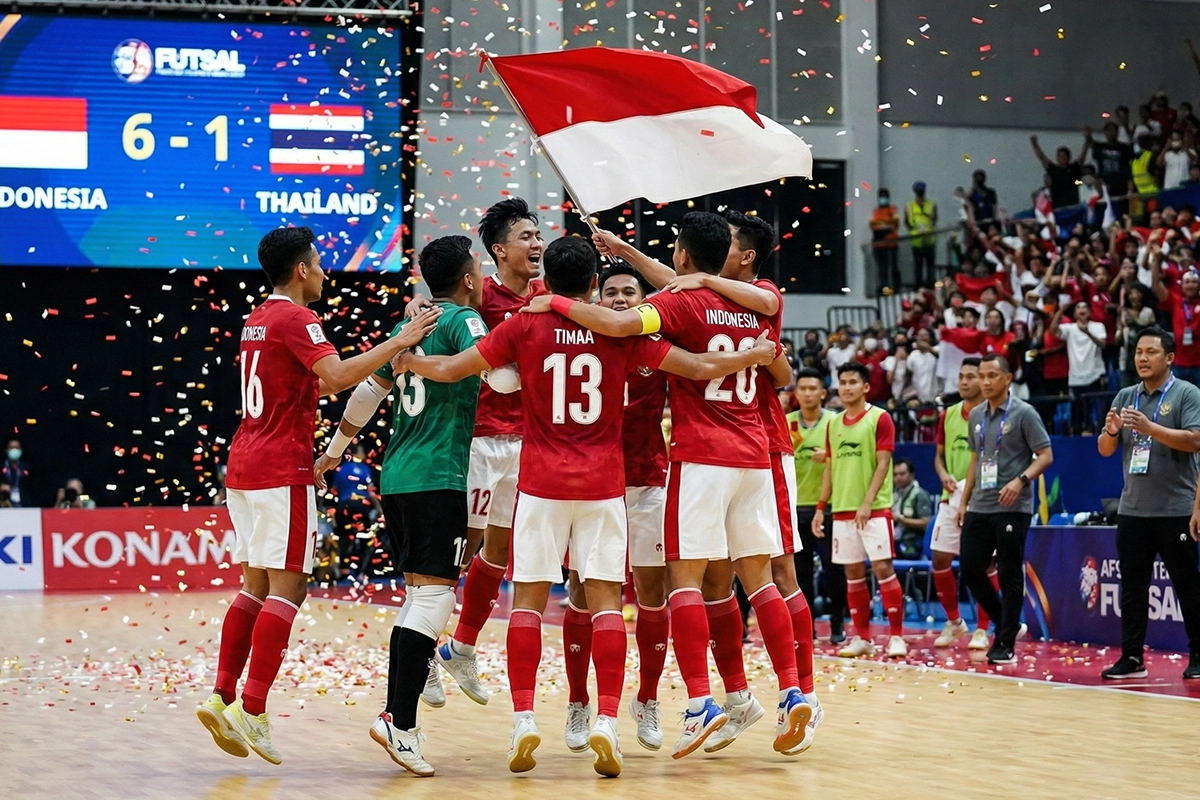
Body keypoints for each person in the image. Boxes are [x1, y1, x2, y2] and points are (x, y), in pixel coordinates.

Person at [400, 235, 776, 776]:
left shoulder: (523, 324)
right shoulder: (614, 332)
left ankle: (525, 720)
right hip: (603, 487)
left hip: (542, 485)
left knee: (528, 602)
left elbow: (452, 369)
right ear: (593, 285)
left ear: (544, 281)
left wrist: (408, 357)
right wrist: (752, 355)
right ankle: (604, 720)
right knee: (605, 604)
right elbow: (696, 367)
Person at [539, 212, 814, 759]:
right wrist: (627, 250)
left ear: (682, 257)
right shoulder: (758, 299)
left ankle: (698, 704)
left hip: (700, 457)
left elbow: (619, 326)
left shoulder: (679, 304)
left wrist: (557, 301)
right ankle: (790, 690)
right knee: (757, 579)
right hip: (755, 456)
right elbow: (774, 364)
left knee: (683, 583)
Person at [197, 226, 441, 765]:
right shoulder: (295, 318)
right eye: (320, 262)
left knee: (255, 586)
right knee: (290, 588)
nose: (327, 272)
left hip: (244, 464)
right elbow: (333, 378)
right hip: (280, 468)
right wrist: (398, 342)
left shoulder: (255, 320)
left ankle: (222, 696)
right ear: (302, 270)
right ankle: (253, 711)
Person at [311, 235, 488, 776]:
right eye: (477, 269)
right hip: (439, 476)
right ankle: (400, 721)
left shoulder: (411, 326)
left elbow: (366, 393)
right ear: (467, 278)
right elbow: (504, 375)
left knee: (419, 596)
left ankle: (404, 716)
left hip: (399, 476)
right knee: (434, 599)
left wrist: (336, 450)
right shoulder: (463, 321)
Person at [409, 198, 547, 702]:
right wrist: (415, 308)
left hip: (527, 442)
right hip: (479, 440)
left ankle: (461, 649)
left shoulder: (548, 295)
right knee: (457, 552)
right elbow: (428, 313)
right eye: (527, 237)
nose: (537, 244)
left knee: (500, 551)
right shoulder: (476, 297)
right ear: (499, 250)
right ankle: (419, 651)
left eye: (538, 236)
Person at [1099, 327, 1200, 681]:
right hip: (1133, 511)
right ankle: (1132, 657)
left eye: (1150, 352)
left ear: (1169, 358)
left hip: (1176, 510)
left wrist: (1151, 427)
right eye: (1138, 351)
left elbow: (1194, 441)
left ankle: (1198, 654)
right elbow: (1106, 450)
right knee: (1133, 589)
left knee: (1188, 585)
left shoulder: (1188, 394)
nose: (1141, 358)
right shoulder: (1126, 396)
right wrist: (1111, 430)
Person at [955, 354, 1054, 665]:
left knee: (1010, 572)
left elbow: (1046, 455)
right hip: (980, 504)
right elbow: (975, 459)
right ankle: (1008, 622)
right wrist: (964, 500)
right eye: (981, 376)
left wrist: (1020, 480)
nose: (984, 381)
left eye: (992, 376)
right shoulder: (975, 415)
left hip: (1013, 505)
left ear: (1007, 378)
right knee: (971, 568)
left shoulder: (1025, 413)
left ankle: (1006, 642)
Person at [812, 362, 906, 659]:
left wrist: (867, 503)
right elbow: (829, 469)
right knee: (853, 573)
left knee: (882, 569)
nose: (847, 387)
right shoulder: (833, 424)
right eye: (843, 382)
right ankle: (863, 638)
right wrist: (820, 508)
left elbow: (883, 463)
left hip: (875, 509)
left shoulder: (880, 418)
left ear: (866, 387)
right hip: (841, 510)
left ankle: (896, 637)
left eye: (853, 382)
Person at [930, 358, 996, 649]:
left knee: (984, 563)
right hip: (951, 494)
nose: (965, 381)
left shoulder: (991, 415)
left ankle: (983, 627)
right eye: (962, 376)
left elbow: (978, 460)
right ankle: (955, 622)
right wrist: (943, 474)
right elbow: (939, 456)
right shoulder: (948, 415)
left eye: (972, 376)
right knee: (940, 559)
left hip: (982, 496)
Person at [787, 369, 846, 644]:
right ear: (796, 393)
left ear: (823, 393)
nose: (808, 393)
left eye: (813, 388)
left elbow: (846, 462)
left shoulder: (835, 423)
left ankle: (837, 626)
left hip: (829, 507)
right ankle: (805, 628)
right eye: (803, 389)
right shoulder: (786, 423)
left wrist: (832, 458)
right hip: (793, 508)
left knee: (834, 569)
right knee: (800, 573)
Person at [328, 445, 383, 580]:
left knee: (344, 539)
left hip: (343, 506)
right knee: (365, 537)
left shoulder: (341, 469)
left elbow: (334, 490)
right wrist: (379, 510)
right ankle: (361, 572)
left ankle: (343, 571)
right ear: (358, 453)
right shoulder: (364, 468)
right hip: (361, 506)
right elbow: (370, 492)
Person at [1149, 250, 1200, 385]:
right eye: (1187, 282)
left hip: (1199, 363)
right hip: (1179, 363)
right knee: (1180, 402)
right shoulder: (1175, 301)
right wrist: (1155, 260)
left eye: (1194, 282)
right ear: (1182, 286)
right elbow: (1156, 285)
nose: (1190, 285)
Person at [891, 458, 932, 560]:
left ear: (912, 475)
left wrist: (900, 519)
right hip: (893, 543)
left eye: (902, 474)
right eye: (895, 475)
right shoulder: (892, 495)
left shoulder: (919, 495)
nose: (898, 478)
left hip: (911, 544)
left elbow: (926, 522)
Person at [1030, 134, 1085, 209]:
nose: (1062, 158)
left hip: (1073, 205)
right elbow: (1041, 157)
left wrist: (1087, 142)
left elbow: (1082, 156)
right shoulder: (1054, 170)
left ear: (1069, 157)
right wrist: (1035, 144)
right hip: (1057, 206)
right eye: (1060, 156)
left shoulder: (1074, 168)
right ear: (1057, 158)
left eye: (1064, 156)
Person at [904, 181, 938, 287]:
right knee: (918, 266)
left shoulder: (931, 204)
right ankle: (918, 286)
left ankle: (930, 285)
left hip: (929, 239)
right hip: (916, 240)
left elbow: (935, 219)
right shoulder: (909, 206)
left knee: (930, 266)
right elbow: (906, 222)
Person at [871, 188, 901, 290]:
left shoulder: (892, 210)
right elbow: (873, 225)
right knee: (882, 268)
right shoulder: (876, 212)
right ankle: (883, 286)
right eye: (881, 197)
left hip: (891, 243)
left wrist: (882, 228)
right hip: (879, 244)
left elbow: (894, 224)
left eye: (884, 197)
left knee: (893, 267)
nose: (883, 199)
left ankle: (896, 286)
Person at [1, 439, 29, 507]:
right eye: (11, 448)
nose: (14, 450)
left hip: (24, 504)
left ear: (21, 450)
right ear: (6, 450)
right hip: (5, 503)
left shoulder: (27, 467)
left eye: (17, 448)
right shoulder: (1, 466)